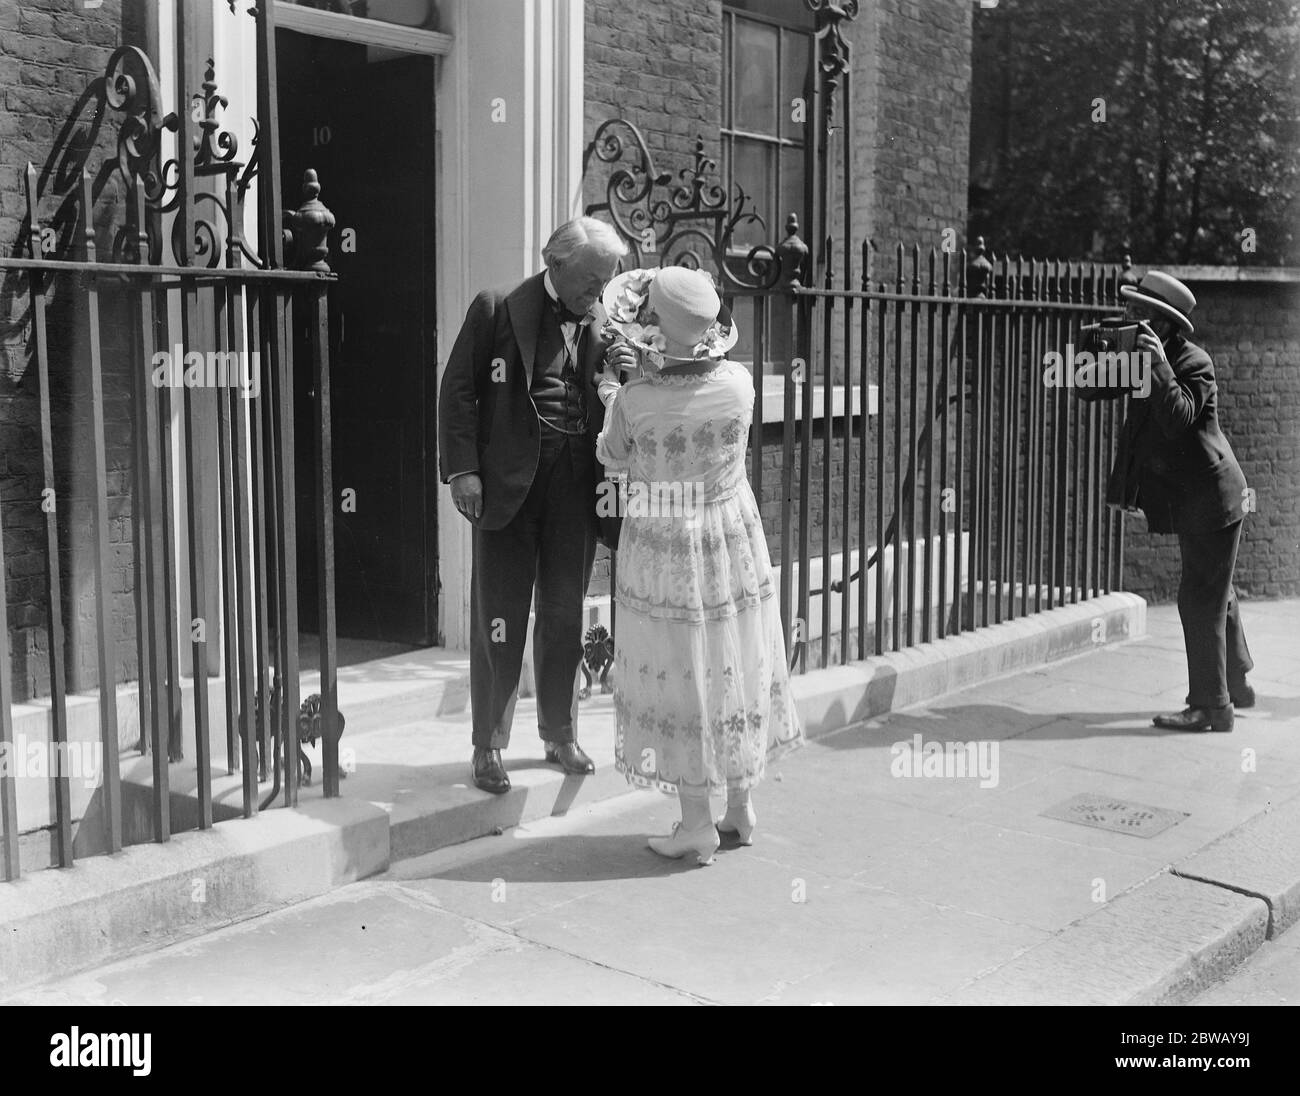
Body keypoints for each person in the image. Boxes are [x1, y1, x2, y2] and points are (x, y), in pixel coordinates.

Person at [594, 265, 804, 865]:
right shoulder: (739, 383)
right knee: (730, 659)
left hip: (665, 541)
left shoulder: (637, 399)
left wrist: (614, 393)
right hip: (731, 536)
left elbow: (612, 457)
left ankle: (695, 824)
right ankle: (738, 808)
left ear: (655, 325)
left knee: (680, 667)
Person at [438, 217, 628, 794]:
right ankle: (488, 745)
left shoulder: (606, 321)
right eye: (591, 279)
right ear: (555, 259)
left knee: (566, 614)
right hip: (507, 486)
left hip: (577, 485)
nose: (597, 292)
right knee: (501, 614)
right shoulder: (497, 308)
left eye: (605, 282)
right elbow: (459, 390)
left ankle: (560, 732)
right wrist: (464, 471)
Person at [1084, 270, 1254, 732]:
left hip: (1214, 497)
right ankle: (1235, 681)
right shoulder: (1138, 359)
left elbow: (1178, 418)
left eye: (1136, 313)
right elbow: (1086, 387)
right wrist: (1093, 351)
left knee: (1198, 598)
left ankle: (1212, 707)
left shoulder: (1193, 362)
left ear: (1160, 324)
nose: (1127, 317)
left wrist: (1158, 366)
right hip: (1194, 498)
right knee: (1216, 587)